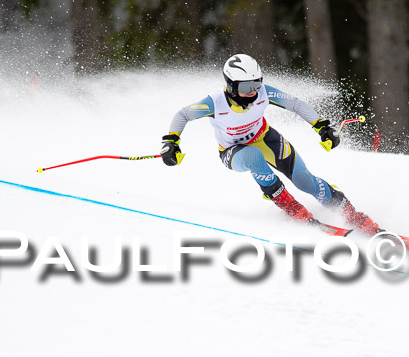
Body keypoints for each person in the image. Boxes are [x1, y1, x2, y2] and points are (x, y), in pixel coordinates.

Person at [160, 53, 381, 235]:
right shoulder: (215, 102)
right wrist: (171, 142)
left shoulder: (263, 93)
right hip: (232, 151)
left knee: (305, 181)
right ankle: (290, 206)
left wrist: (322, 126)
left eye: (257, 84)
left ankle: (353, 215)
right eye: (246, 86)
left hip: (266, 138)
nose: (253, 91)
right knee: (254, 157)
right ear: (230, 85)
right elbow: (182, 115)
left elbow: (294, 104)